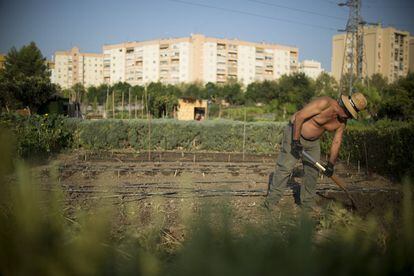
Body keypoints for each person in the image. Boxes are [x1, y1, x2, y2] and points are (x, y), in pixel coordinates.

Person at [265, 93, 368, 211]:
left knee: (312, 173)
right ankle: (271, 203)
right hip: (294, 133)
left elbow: (336, 142)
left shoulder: (342, 122)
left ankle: (306, 204)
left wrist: (331, 164)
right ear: (343, 106)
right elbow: (300, 116)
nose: (348, 117)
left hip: (313, 143)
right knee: (285, 168)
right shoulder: (324, 103)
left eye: (351, 115)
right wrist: (295, 140)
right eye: (348, 113)